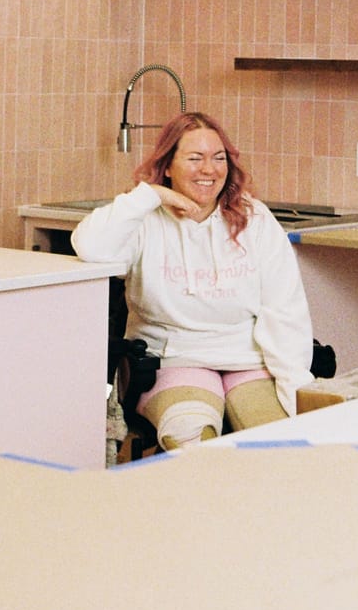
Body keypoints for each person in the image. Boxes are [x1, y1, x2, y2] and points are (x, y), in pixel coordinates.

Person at [71, 111, 312, 450]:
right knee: (197, 447)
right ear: (168, 165)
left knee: (276, 446)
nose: (208, 169)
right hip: (173, 361)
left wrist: (296, 387)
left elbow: (285, 311)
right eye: (195, 158)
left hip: (249, 361)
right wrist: (151, 195)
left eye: (218, 158)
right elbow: (90, 246)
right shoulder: (144, 219)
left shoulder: (255, 218)